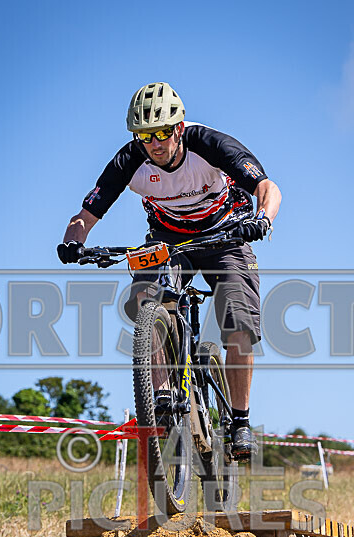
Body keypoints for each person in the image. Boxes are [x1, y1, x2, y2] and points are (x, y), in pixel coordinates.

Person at [58, 82, 281, 458]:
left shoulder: (209, 144)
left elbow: (267, 186)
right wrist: (72, 243)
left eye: (162, 133)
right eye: (145, 136)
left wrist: (263, 220)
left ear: (178, 128)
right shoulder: (130, 160)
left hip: (226, 233)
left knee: (238, 325)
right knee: (147, 297)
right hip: (169, 239)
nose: (154, 143)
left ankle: (239, 422)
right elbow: (86, 214)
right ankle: (161, 397)